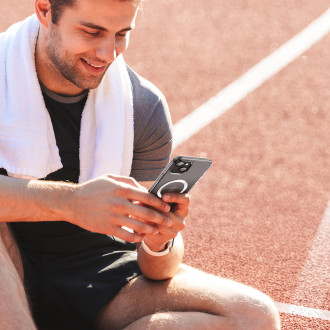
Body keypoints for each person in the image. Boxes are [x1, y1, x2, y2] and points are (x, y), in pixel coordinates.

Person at [0, 0, 281, 329]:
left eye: (121, 34)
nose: (107, 53)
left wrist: (160, 240)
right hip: (11, 270)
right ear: (45, 10)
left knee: (254, 315)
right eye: (92, 32)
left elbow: (156, 269)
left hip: (98, 276)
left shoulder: (141, 107)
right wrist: (72, 203)